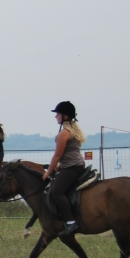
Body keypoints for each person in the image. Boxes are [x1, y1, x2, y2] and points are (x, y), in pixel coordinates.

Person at [45, 101, 86, 237]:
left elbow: (57, 155)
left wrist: (48, 172)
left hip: (71, 168)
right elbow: (70, 151)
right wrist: (60, 165)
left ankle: (70, 222)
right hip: (75, 165)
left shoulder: (64, 133)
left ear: (65, 116)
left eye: (58, 114)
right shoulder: (73, 131)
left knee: (56, 192)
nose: (55, 116)